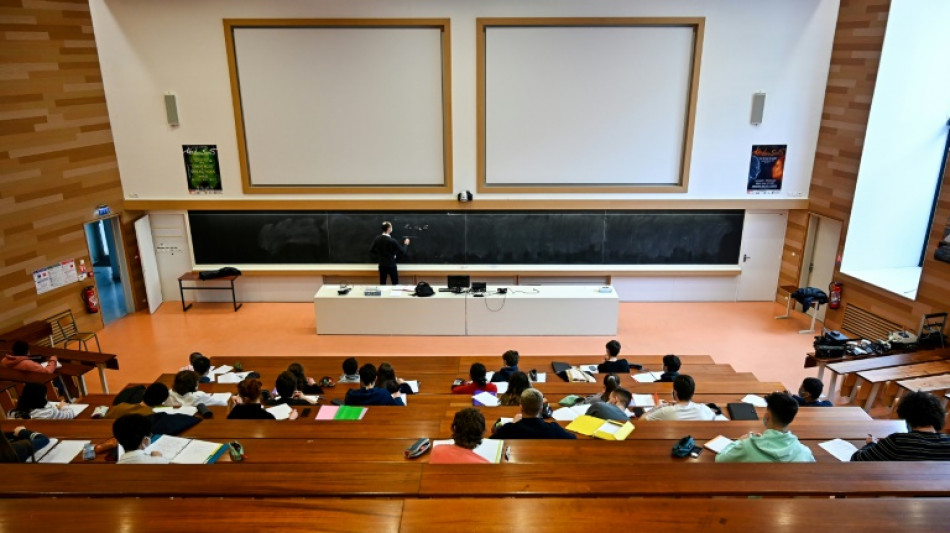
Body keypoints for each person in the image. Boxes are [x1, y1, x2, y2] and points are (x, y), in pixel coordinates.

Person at [715, 392, 814, 463]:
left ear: (767, 416)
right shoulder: (804, 452)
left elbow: (720, 460)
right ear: (791, 419)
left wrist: (739, 441)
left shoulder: (747, 446)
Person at [851, 391, 950, 461]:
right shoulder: (947, 442)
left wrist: (871, 444)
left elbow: (857, 459)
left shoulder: (897, 441)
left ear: (907, 417)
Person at [491, 389, 576, 440]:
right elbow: (573, 438)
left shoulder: (509, 429)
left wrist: (513, 423)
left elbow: (491, 440)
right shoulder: (553, 428)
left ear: (521, 408)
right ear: (541, 408)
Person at [644, 375, 716, 421]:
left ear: (675, 392)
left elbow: (641, 421)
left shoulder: (665, 411)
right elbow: (713, 418)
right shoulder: (704, 409)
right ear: (692, 392)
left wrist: (655, 407)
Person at [369, 221, 409, 285]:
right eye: (391, 227)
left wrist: (380, 255)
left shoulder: (377, 238)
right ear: (389, 228)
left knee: (382, 284)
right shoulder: (392, 240)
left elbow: (371, 250)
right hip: (391, 265)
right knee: (395, 284)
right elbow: (403, 252)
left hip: (382, 265)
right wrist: (406, 244)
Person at [8, 382, 74, 420]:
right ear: (41, 397)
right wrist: (63, 407)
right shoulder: (48, 412)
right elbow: (69, 415)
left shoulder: (12, 413)